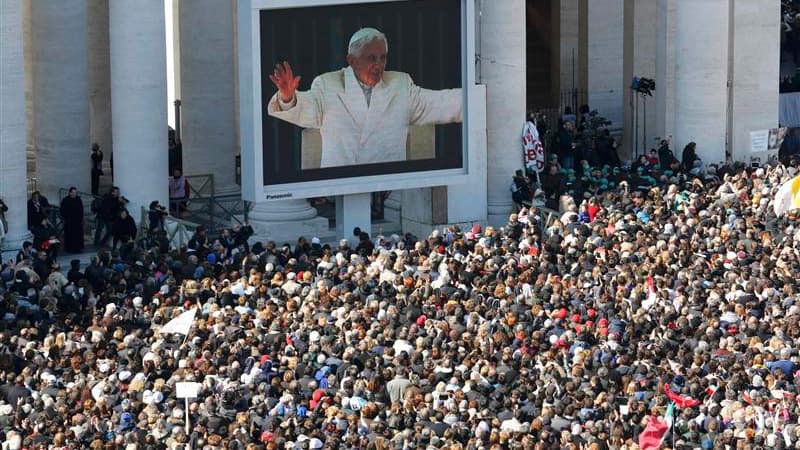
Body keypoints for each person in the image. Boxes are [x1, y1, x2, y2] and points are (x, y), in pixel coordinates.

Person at [267, 27, 462, 168]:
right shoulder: (328, 84)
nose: (379, 64)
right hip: (339, 181)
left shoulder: (400, 84)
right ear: (352, 60)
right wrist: (287, 97)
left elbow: (440, 103)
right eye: (371, 58)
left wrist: (478, 96)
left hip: (388, 181)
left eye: (383, 57)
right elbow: (306, 109)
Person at [59, 187, 84, 254]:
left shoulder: (78, 199)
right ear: (70, 193)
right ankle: (69, 248)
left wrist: (81, 217)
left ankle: (78, 248)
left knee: (78, 235)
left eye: (75, 193)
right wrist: (66, 217)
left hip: (77, 221)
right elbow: (62, 210)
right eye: (73, 192)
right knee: (70, 235)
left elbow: (81, 209)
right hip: (69, 221)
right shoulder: (65, 200)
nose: (74, 194)